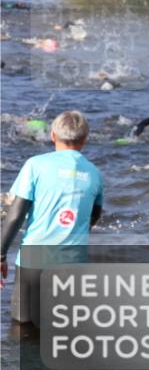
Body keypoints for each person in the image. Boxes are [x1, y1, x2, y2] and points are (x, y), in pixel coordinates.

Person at [0, 111, 103, 327]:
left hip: (34, 259)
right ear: (85, 139)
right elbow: (93, 216)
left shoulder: (35, 165)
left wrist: (1, 255)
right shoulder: (94, 173)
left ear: (53, 135)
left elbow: (16, 214)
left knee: (23, 327)